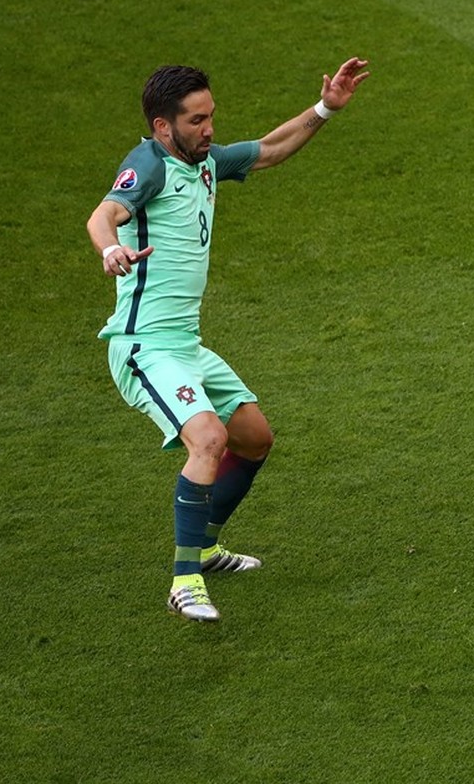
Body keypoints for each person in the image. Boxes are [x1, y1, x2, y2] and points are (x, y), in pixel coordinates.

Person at [86, 57, 370, 622]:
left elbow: (268, 149)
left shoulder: (205, 162)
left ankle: (208, 547)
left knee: (254, 438)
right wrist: (110, 248)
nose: (209, 128)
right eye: (195, 121)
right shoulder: (150, 165)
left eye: (210, 116)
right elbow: (105, 214)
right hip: (144, 346)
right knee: (209, 440)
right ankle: (183, 578)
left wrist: (325, 109)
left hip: (186, 345)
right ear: (164, 127)